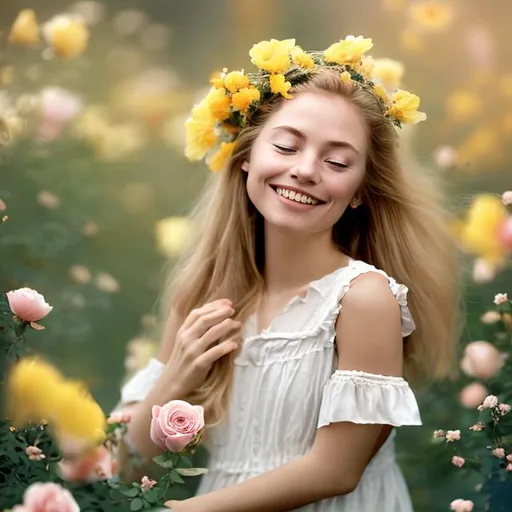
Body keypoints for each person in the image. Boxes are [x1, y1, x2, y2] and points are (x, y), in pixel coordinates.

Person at [118, 36, 460, 511]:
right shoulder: (203, 295)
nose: (305, 170)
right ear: (246, 160)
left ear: (360, 191)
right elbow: (125, 467)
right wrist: (175, 376)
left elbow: (335, 472)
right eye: (285, 146)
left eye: (337, 161)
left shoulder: (361, 298)